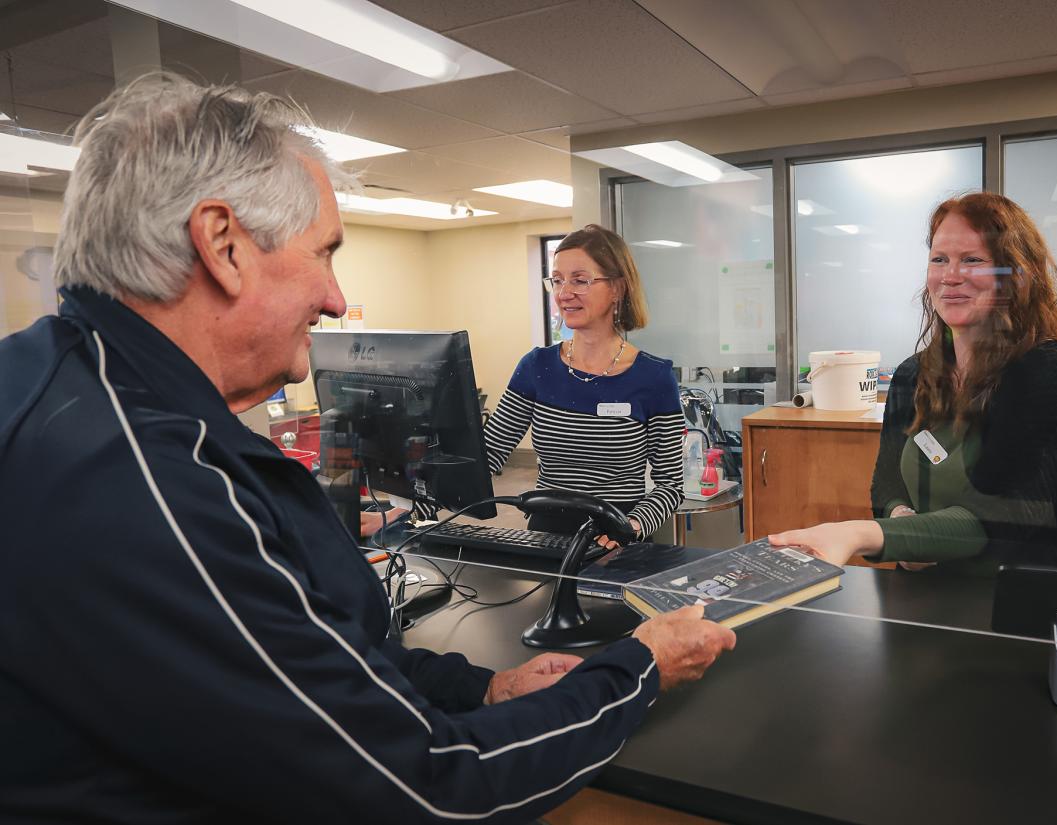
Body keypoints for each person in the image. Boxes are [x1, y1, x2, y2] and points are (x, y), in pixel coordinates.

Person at [0, 74, 735, 823]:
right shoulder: (146, 480)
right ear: (222, 243)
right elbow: (427, 788)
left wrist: (485, 687)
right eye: (324, 253)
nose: (335, 299)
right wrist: (639, 666)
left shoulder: (57, 386)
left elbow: (313, 658)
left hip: (621, 564)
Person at [771, 192, 1057, 574]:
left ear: (1016, 277)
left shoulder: (1052, 371)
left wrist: (862, 534)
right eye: (939, 259)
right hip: (918, 602)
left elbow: (1006, 518)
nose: (951, 276)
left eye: (972, 260)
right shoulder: (913, 374)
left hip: (1017, 610)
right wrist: (902, 521)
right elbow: (887, 483)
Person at [365, 224, 685, 551]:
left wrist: (632, 525)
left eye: (580, 280)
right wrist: (404, 511)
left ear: (617, 287)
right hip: (546, 537)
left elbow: (671, 485)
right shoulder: (538, 367)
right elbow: (483, 460)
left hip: (617, 539)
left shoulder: (653, 377)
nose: (564, 292)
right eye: (557, 280)